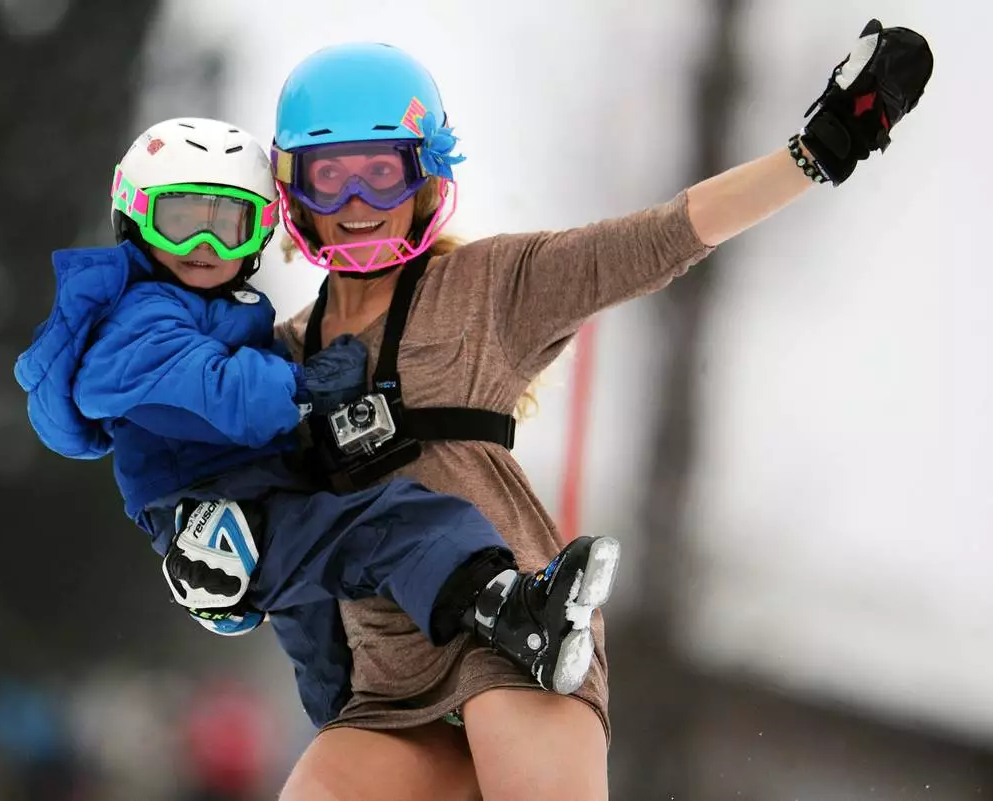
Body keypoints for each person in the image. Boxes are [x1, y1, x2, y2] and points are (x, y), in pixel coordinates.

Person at [261, 21, 933, 801]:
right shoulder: (272, 361)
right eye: (328, 177)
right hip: (387, 683)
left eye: (381, 174)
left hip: (516, 637)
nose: (355, 204)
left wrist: (815, 152)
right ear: (292, 192)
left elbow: (662, 235)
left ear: (426, 181)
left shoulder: (486, 288)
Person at [13, 116, 621, 727]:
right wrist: (305, 387)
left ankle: (359, 726)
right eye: (180, 221)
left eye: (228, 225)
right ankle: (510, 609)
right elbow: (218, 391)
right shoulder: (135, 319)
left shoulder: (205, 307)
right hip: (222, 505)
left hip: (253, 497)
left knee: (329, 647)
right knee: (387, 521)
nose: (205, 247)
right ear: (134, 218)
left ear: (257, 234)